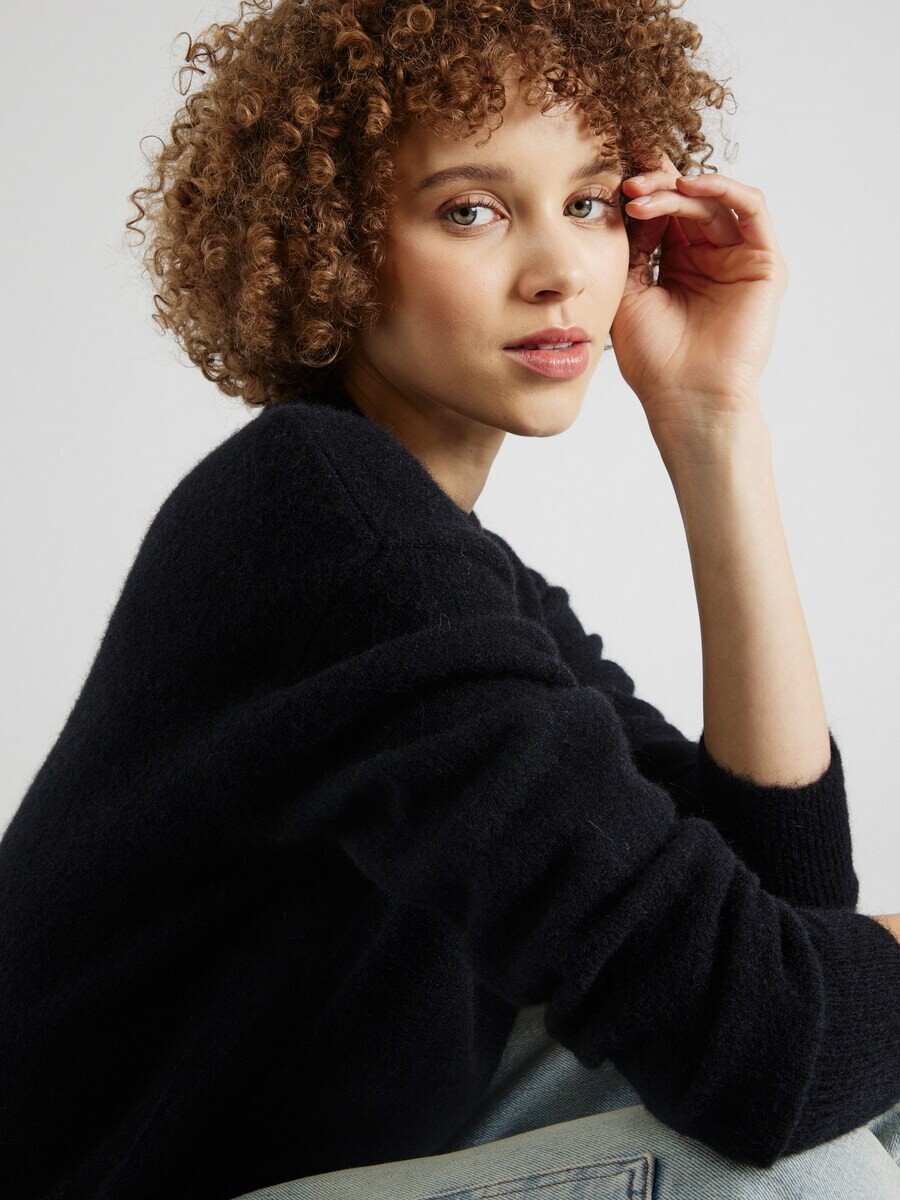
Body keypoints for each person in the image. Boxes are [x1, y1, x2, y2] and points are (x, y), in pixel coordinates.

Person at [3, 2, 899, 1198]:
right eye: (472, 209)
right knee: (794, 1172)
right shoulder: (330, 533)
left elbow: (779, 910)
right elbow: (764, 1041)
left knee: (853, 1098)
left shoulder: (446, 565)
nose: (559, 272)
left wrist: (711, 424)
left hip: (336, 1149)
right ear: (326, 244)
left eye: (590, 202)